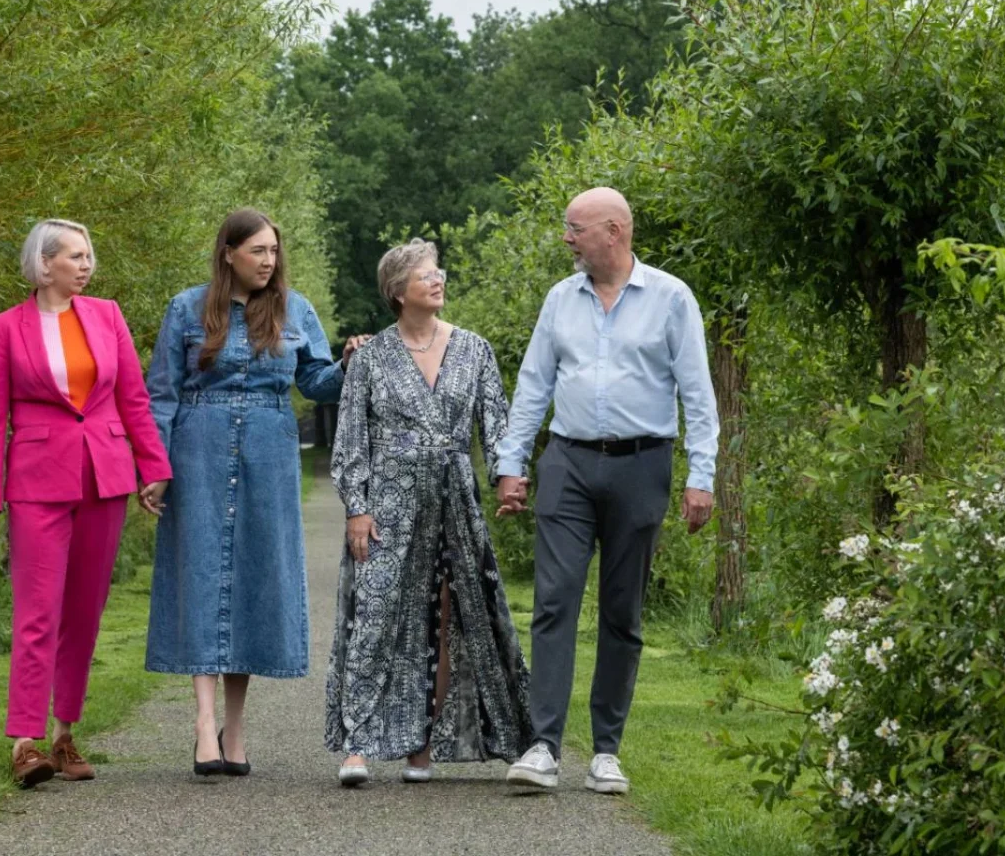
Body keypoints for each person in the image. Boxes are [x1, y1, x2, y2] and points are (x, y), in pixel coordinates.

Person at [495, 187, 719, 796]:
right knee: (554, 599)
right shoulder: (559, 301)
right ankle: (542, 746)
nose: (566, 237)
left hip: (642, 464)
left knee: (623, 610)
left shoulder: (671, 298)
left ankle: (606, 751)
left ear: (614, 232)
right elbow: (533, 386)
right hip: (567, 462)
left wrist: (703, 475)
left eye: (576, 228)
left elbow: (698, 394)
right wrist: (510, 464)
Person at [145, 208, 363, 776]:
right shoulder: (186, 308)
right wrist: (156, 466)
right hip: (198, 448)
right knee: (201, 573)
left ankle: (235, 729)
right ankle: (201, 725)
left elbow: (314, 383)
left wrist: (347, 362)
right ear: (229, 253)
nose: (268, 261)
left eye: (273, 252)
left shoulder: (296, 310)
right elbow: (161, 394)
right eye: (258, 251)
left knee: (252, 579)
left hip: (269, 448)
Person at [0, 218, 172, 788]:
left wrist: (153, 467)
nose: (86, 265)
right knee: (38, 613)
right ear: (44, 263)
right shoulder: (5, 328)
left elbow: (133, 398)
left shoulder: (107, 316)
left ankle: (64, 735)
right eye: (75, 256)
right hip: (36, 482)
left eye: (88, 257)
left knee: (83, 614)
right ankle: (24, 741)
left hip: (103, 477)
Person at [326, 239, 531, 787]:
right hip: (389, 500)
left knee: (447, 618)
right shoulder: (369, 357)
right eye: (424, 275)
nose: (437, 280)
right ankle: (358, 743)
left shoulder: (474, 349)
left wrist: (510, 480)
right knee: (375, 616)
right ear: (397, 292)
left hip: (455, 499)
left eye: (438, 272)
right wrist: (357, 508)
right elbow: (351, 438)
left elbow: (498, 425)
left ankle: (421, 744)